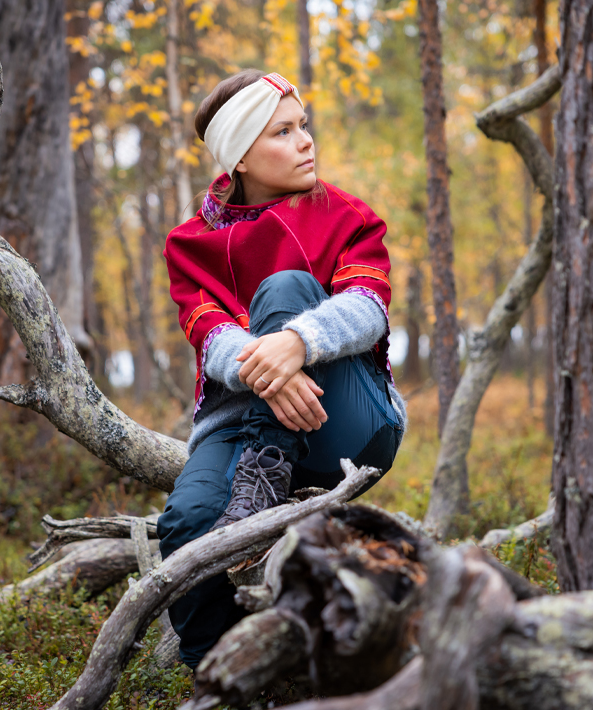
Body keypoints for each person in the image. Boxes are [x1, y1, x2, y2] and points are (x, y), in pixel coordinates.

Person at [158, 69, 408, 669]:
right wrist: (273, 372)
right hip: (238, 426)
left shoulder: (345, 215)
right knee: (186, 523)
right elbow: (211, 337)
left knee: (287, 287)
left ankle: (262, 482)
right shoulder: (189, 244)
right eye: (283, 132)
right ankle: (219, 671)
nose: (306, 141)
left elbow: (368, 307)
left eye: (304, 126)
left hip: (349, 421)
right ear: (240, 158)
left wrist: (299, 341)